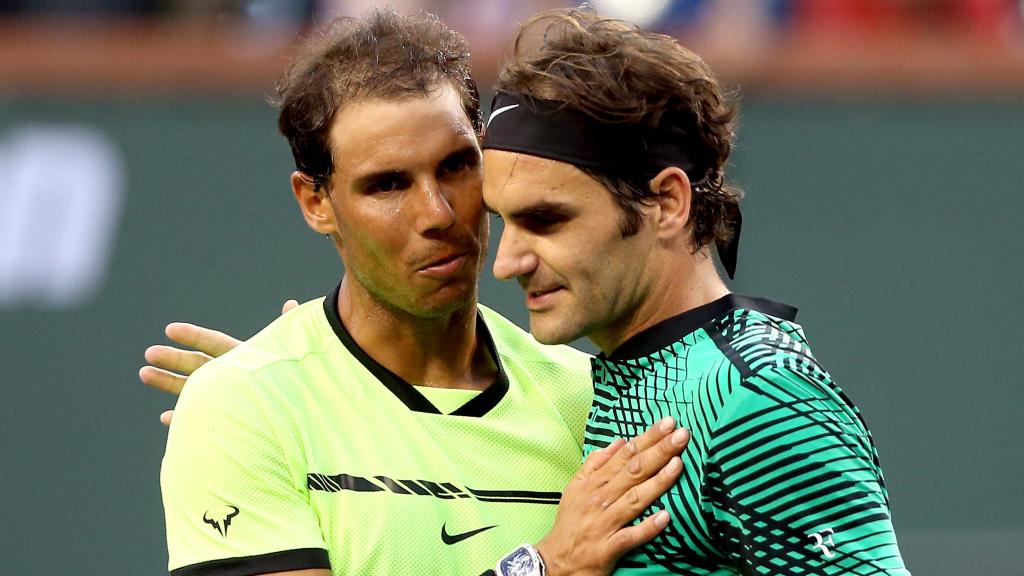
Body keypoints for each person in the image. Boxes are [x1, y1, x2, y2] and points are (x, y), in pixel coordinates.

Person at [155, 9, 688, 576]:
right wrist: (545, 567)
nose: (438, 213)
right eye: (388, 184)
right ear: (316, 203)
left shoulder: (596, 403)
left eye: (458, 166)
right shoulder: (243, 408)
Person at [478, 7, 910, 575]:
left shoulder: (757, 395)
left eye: (547, 220)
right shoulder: (626, 377)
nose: (507, 262)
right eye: (503, 221)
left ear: (667, 203)